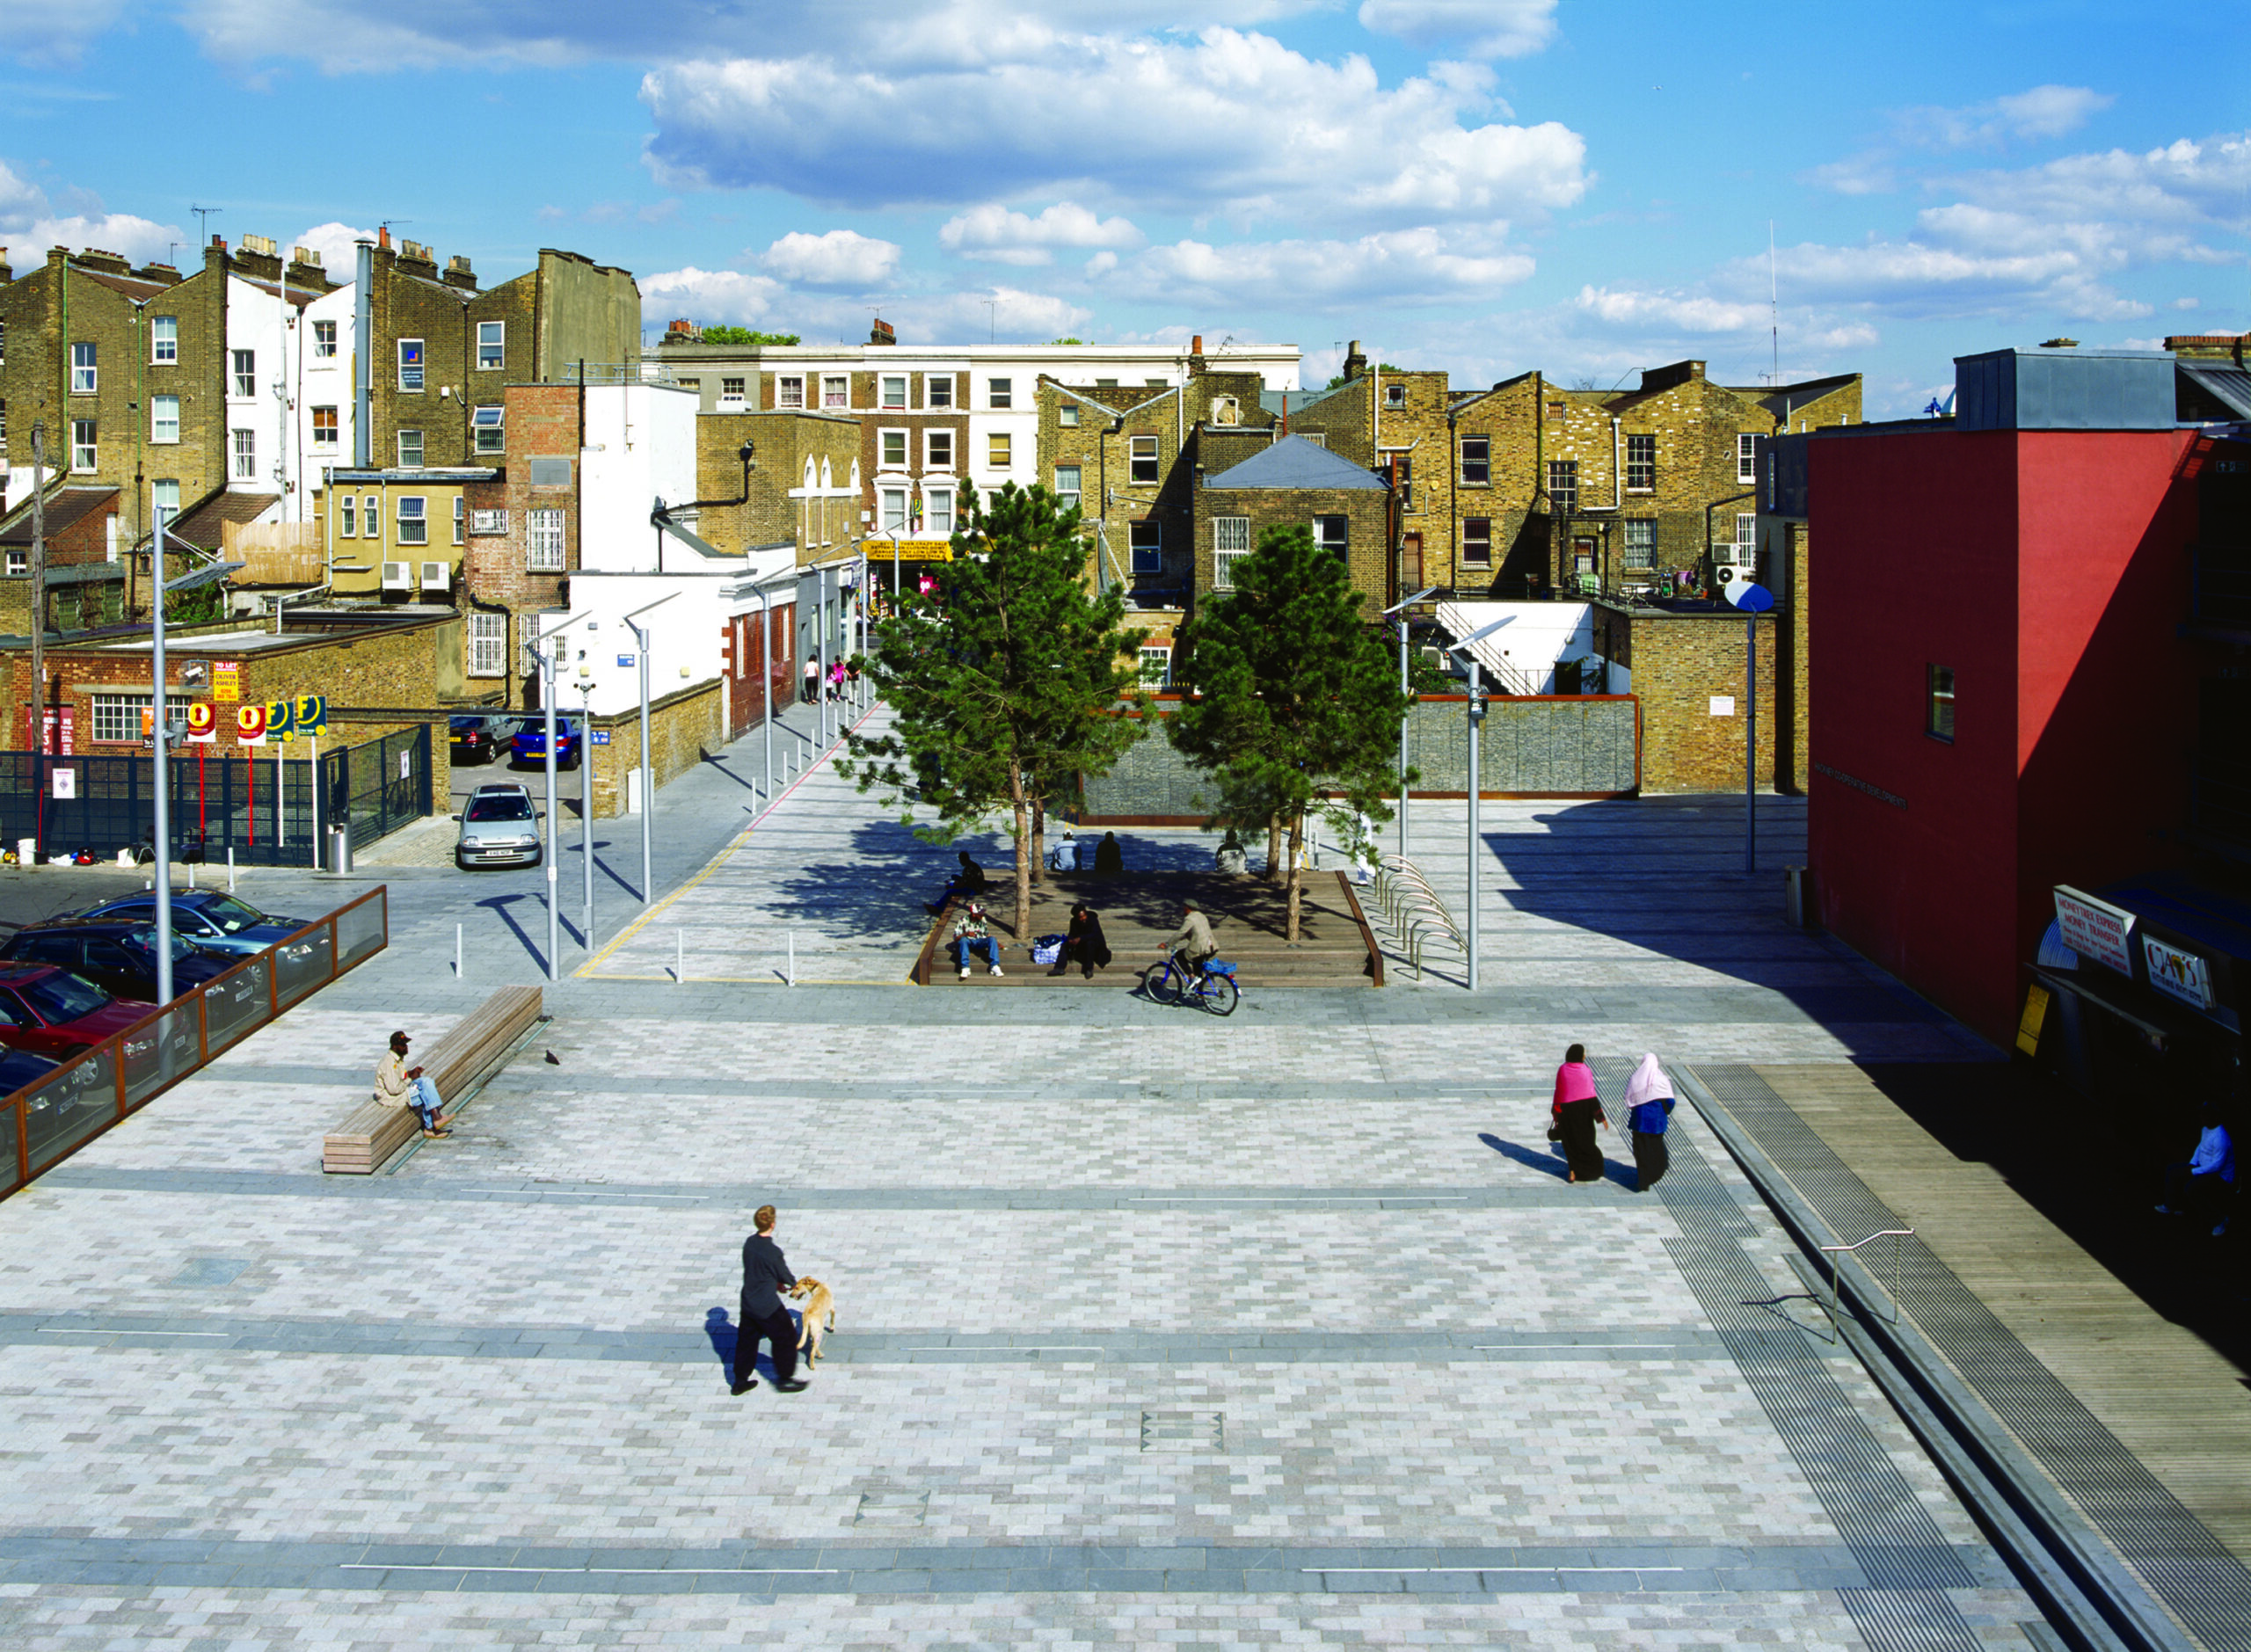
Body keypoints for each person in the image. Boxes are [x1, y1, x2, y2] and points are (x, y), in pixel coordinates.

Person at [732, 1204, 808, 1394]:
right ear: (772, 1224)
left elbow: (757, 1269)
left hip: (748, 1302)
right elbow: (784, 1274)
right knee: (786, 1336)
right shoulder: (773, 1251)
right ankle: (785, 1379)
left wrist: (773, 1282)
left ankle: (740, 1381)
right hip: (767, 1306)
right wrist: (792, 1283)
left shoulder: (749, 1243)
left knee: (746, 1342)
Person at [2157, 1106, 2236, 1238]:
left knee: (2191, 1188)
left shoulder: (2221, 1138)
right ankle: (2173, 1205)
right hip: (2203, 1167)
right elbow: (2200, 1147)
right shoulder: (2205, 1130)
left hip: (2220, 1176)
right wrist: (2192, 1163)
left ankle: (2219, 1220)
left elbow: (2217, 1165)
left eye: (2205, 1116)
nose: (2201, 1119)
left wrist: (2194, 1171)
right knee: (2172, 1170)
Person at [373, 1030, 452, 1139]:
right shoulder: (390, 1063)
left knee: (427, 1082)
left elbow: (400, 1077)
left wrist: (411, 1073)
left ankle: (433, 1123)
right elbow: (394, 1090)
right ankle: (433, 1123)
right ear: (395, 1046)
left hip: (401, 1090)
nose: (406, 1047)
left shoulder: (397, 1059)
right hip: (392, 1098)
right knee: (426, 1090)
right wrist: (410, 1078)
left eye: (406, 1044)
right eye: (402, 1045)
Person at [1550, 1043, 1610, 1184]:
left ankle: (1572, 1171)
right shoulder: (1585, 1071)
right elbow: (1591, 1096)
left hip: (1567, 1113)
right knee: (1587, 1142)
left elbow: (1559, 1092)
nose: (1585, 1056)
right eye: (1584, 1054)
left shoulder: (1563, 1070)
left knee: (1570, 1143)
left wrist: (1556, 1113)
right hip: (1584, 1113)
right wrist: (1601, 1118)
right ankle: (1590, 1171)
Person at [1622, 1052, 1675, 1192]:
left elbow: (1629, 1099)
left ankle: (1643, 1179)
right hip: (1656, 1123)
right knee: (1655, 1148)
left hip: (1639, 1123)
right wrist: (1666, 1111)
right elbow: (1670, 1101)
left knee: (1641, 1151)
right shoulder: (1662, 1080)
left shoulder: (1636, 1078)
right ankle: (1655, 1173)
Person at [1158, 898, 1218, 988]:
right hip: (1211, 946)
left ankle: (1190, 975)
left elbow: (1181, 932)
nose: (1183, 909)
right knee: (1197, 967)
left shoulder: (1190, 919)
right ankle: (1199, 992)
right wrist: (1179, 939)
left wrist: (1168, 944)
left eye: (1184, 907)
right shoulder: (1201, 915)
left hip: (1201, 948)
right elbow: (1189, 933)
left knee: (1179, 955)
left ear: (1187, 908)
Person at [1052, 903, 1111, 979]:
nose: (1083, 918)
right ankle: (1059, 968)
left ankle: (1088, 969)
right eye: (1081, 917)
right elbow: (1072, 933)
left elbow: (1095, 934)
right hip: (1082, 946)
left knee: (1090, 944)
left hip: (1095, 946)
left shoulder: (1092, 919)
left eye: (1084, 916)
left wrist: (1080, 938)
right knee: (1065, 945)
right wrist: (1071, 940)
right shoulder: (1074, 922)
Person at [950, 901, 1002, 979]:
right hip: (969, 942)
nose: (982, 915)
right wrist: (966, 934)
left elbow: (987, 934)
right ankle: (965, 967)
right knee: (963, 940)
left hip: (980, 941)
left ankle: (994, 966)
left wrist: (996, 943)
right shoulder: (963, 920)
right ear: (974, 914)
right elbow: (956, 938)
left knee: (992, 939)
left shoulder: (983, 919)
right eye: (980, 914)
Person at [925, 850, 987, 914]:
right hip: (974, 884)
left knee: (950, 892)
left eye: (960, 860)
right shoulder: (973, 864)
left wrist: (952, 887)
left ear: (964, 859)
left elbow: (964, 885)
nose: (960, 862)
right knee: (954, 876)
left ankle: (938, 907)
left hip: (974, 890)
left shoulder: (968, 869)